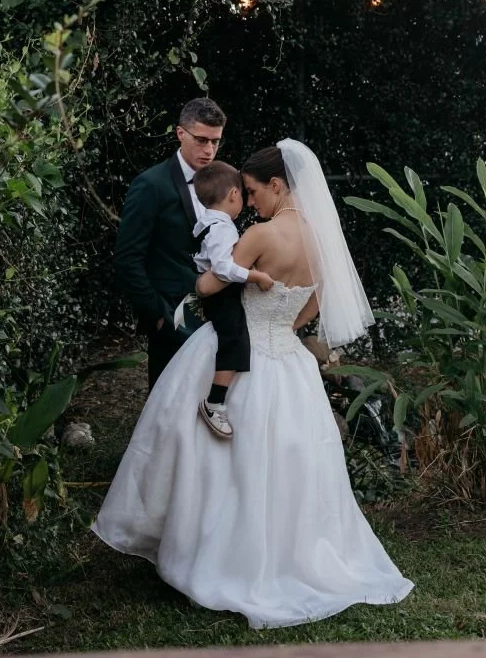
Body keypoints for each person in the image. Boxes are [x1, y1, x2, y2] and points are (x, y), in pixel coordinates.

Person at [92, 140, 413, 629]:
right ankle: (289, 553)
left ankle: (212, 553)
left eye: (253, 190)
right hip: (287, 359)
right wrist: (284, 323)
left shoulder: (262, 235)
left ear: (277, 185)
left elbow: (210, 286)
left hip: (235, 355)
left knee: (206, 451)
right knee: (289, 462)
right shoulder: (320, 238)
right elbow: (317, 304)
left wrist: (205, 283)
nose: (249, 200)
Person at [114, 97, 226, 389]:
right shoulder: (151, 185)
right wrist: (158, 317)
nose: (209, 150)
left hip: (220, 312)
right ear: (180, 133)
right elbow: (127, 258)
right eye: (201, 140)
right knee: (167, 406)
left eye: (215, 142)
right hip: (171, 318)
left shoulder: (225, 182)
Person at [189, 161, 274, 440]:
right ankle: (215, 402)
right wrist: (256, 276)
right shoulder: (222, 228)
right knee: (235, 340)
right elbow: (223, 269)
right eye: (244, 194)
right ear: (233, 195)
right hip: (222, 296)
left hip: (218, 296)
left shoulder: (206, 222)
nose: (247, 202)